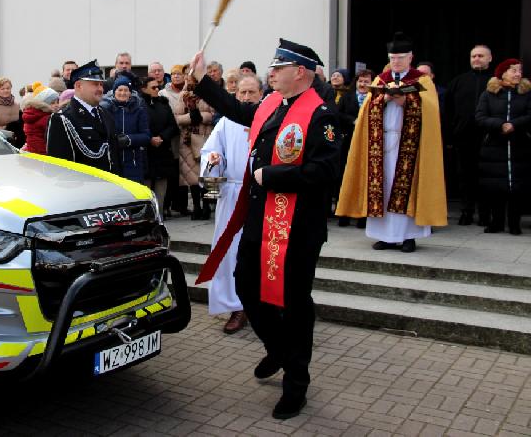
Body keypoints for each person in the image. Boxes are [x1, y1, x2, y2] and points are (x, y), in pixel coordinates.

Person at [190, 38, 340, 420]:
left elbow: (324, 172)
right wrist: (201, 82)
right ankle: (278, 349)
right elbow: (237, 109)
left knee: (294, 305)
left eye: (278, 68)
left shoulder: (320, 115)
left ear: (300, 72)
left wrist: (271, 175)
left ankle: (296, 382)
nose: (270, 73)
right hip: (261, 221)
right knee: (246, 287)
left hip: (298, 229)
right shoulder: (272, 105)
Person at [337, 32, 447, 253]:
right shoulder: (381, 79)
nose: (396, 62)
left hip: (409, 143)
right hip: (382, 142)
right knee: (383, 186)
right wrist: (384, 99)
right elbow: (367, 108)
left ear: (410, 57)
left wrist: (407, 101)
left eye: (400, 57)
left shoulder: (422, 80)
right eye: (393, 57)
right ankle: (384, 236)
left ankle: (409, 237)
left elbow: (431, 110)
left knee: (406, 186)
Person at [200, 74, 263, 335]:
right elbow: (211, 154)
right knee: (230, 252)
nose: (246, 98)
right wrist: (214, 160)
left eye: (251, 93)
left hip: (261, 195)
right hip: (232, 194)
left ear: (262, 94)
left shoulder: (268, 118)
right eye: (242, 94)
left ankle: (260, 305)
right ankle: (236, 306)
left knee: (258, 252)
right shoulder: (226, 122)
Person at [475, 59, 531, 234]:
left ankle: (514, 223)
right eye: (513, 70)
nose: (518, 74)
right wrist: (500, 124)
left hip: (519, 146)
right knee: (495, 187)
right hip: (494, 147)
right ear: (502, 73)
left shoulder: (526, 94)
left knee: (517, 187)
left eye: (519, 70)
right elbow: (480, 117)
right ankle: (496, 222)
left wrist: (514, 124)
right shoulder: (488, 94)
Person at [445, 45, 493, 226]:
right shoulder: (458, 81)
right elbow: (448, 110)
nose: (476, 59)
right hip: (463, 138)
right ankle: (467, 211)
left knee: (486, 176)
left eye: (481, 56)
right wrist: (451, 135)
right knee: (465, 176)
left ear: (490, 58)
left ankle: (485, 214)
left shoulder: (495, 82)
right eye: (473, 56)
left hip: (489, 139)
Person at [47, 60, 121, 172]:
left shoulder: (105, 114)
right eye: (95, 84)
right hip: (83, 187)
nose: (100, 89)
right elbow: (59, 169)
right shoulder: (62, 119)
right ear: (78, 86)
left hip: (110, 186)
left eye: (101, 84)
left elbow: (114, 157)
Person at [336, 69, 373, 229]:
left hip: (368, 144)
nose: (363, 84)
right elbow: (338, 115)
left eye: (366, 81)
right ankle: (343, 214)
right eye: (361, 81)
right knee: (345, 177)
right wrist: (353, 121)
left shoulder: (375, 98)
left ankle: (362, 216)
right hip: (348, 143)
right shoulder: (347, 97)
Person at [177, 72, 215, 220]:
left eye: (192, 78)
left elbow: (213, 114)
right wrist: (192, 116)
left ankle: (209, 206)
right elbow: (177, 117)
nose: (189, 80)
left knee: (210, 173)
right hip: (188, 139)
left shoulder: (209, 93)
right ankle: (196, 207)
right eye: (188, 78)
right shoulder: (183, 95)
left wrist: (200, 115)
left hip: (208, 137)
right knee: (191, 176)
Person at [100, 76, 151, 183]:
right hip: (112, 161)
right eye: (120, 90)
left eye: (126, 90)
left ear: (130, 93)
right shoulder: (105, 110)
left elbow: (146, 136)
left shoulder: (139, 111)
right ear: (114, 92)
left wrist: (129, 139)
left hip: (133, 163)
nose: (123, 93)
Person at [139, 76, 178, 215]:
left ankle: (159, 216)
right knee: (146, 188)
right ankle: (147, 217)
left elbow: (173, 125)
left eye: (158, 87)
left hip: (162, 151)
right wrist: (150, 139)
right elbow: (137, 126)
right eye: (153, 87)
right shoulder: (138, 104)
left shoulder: (163, 103)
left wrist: (162, 137)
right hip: (146, 152)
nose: (157, 90)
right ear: (144, 89)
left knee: (161, 188)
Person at [160, 65, 190, 216]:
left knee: (184, 172)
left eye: (179, 74)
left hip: (186, 136)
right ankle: (167, 205)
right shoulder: (163, 93)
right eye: (173, 74)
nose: (176, 76)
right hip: (171, 136)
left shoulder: (189, 91)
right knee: (171, 173)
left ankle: (181, 205)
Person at [0, 77, 24, 148]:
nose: (6, 90)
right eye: (2, 89)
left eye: (8, 88)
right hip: (1, 142)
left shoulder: (18, 106)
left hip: (19, 142)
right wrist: (6, 128)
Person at [22, 83, 59, 154]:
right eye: (52, 103)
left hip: (33, 151)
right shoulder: (47, 118)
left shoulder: (33, 114)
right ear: (43, 104)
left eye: (57, 102)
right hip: (44, 153)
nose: (56, 105)